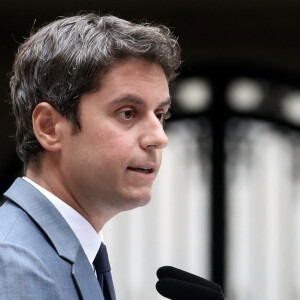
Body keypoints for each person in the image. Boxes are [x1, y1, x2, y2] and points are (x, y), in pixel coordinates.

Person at [0, 13, 181, 300]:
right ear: (49, 127)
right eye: (128, 113)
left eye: (159, 115)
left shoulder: (57, 251)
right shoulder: (13, 264)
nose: (159, 137)